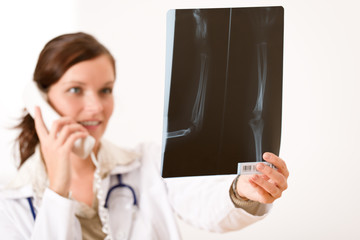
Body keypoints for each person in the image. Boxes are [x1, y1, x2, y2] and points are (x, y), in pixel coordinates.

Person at [0, 32, 289, 240]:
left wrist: (243, 192)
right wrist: (58, 191)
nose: (96, 107)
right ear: (40, 101)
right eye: (76, 89)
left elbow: (207, 206)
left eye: (106, 90)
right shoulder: (10, 204)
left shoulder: (147, 163)